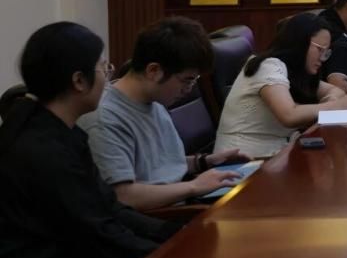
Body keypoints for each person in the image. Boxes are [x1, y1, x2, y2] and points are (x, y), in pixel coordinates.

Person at [0, 22, 180, 258]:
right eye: (104, 68)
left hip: (84, 252)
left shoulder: (60, 130)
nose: (107, 79)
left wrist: (173, 234)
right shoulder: (44, 151)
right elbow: (97, 232)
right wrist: (168, 256)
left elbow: (109, 207)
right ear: (79, 81)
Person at [79, 17, 245, 211]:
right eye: (187, 80)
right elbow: (124, 196)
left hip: (180, 201)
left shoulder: (155, 101)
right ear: (154, 71)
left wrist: (204, 162)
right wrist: (194, 187)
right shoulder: (105, 119)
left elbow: (159, 166)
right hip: (161, 216)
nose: (189, 89)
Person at [215, 13, 347, 158]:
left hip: (275, 155)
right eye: (319, 50)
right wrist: (337, 106)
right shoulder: (268, 67)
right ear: (300, 44)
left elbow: (335, 90)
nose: (322, 58)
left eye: (326, 52)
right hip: (242, 160)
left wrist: (331, 101)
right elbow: (289, 115)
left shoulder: (296, 71)